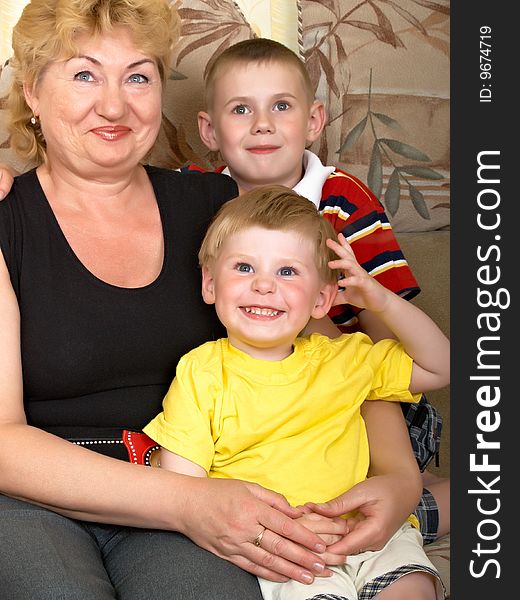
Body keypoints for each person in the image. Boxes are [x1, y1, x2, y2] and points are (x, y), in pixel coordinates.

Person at [0, 5, 443, 578]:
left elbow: (333, 361)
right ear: (32, 92)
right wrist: (191, 503)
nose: (114, 105)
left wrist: (400, 479)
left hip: (207, 485)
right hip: (42, 498)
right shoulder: (6, 219)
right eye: (84, 74)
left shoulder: (221, 212)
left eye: (138, 76)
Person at [188, 36, 450, 543]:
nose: (262, 123)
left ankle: (421, 509)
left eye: (281, 106)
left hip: (363, 388)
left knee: (367, 494)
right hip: (255, 391)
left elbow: (382, 341)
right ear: (209, 129)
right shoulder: (195, 193)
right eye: (241, 108)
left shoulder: (343, 200)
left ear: (313, 121)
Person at [144, 185, 449, 599]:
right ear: (210, 284)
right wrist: (266, 529)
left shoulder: (346, 358)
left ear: (322, 298)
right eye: (244, 268)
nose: (265, 286)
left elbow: (440, 366)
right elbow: (186, 490)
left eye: (287, 272)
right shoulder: (201, 372)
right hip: (282, 549)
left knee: (411, 589)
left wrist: (381, 301)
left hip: (365, 531)